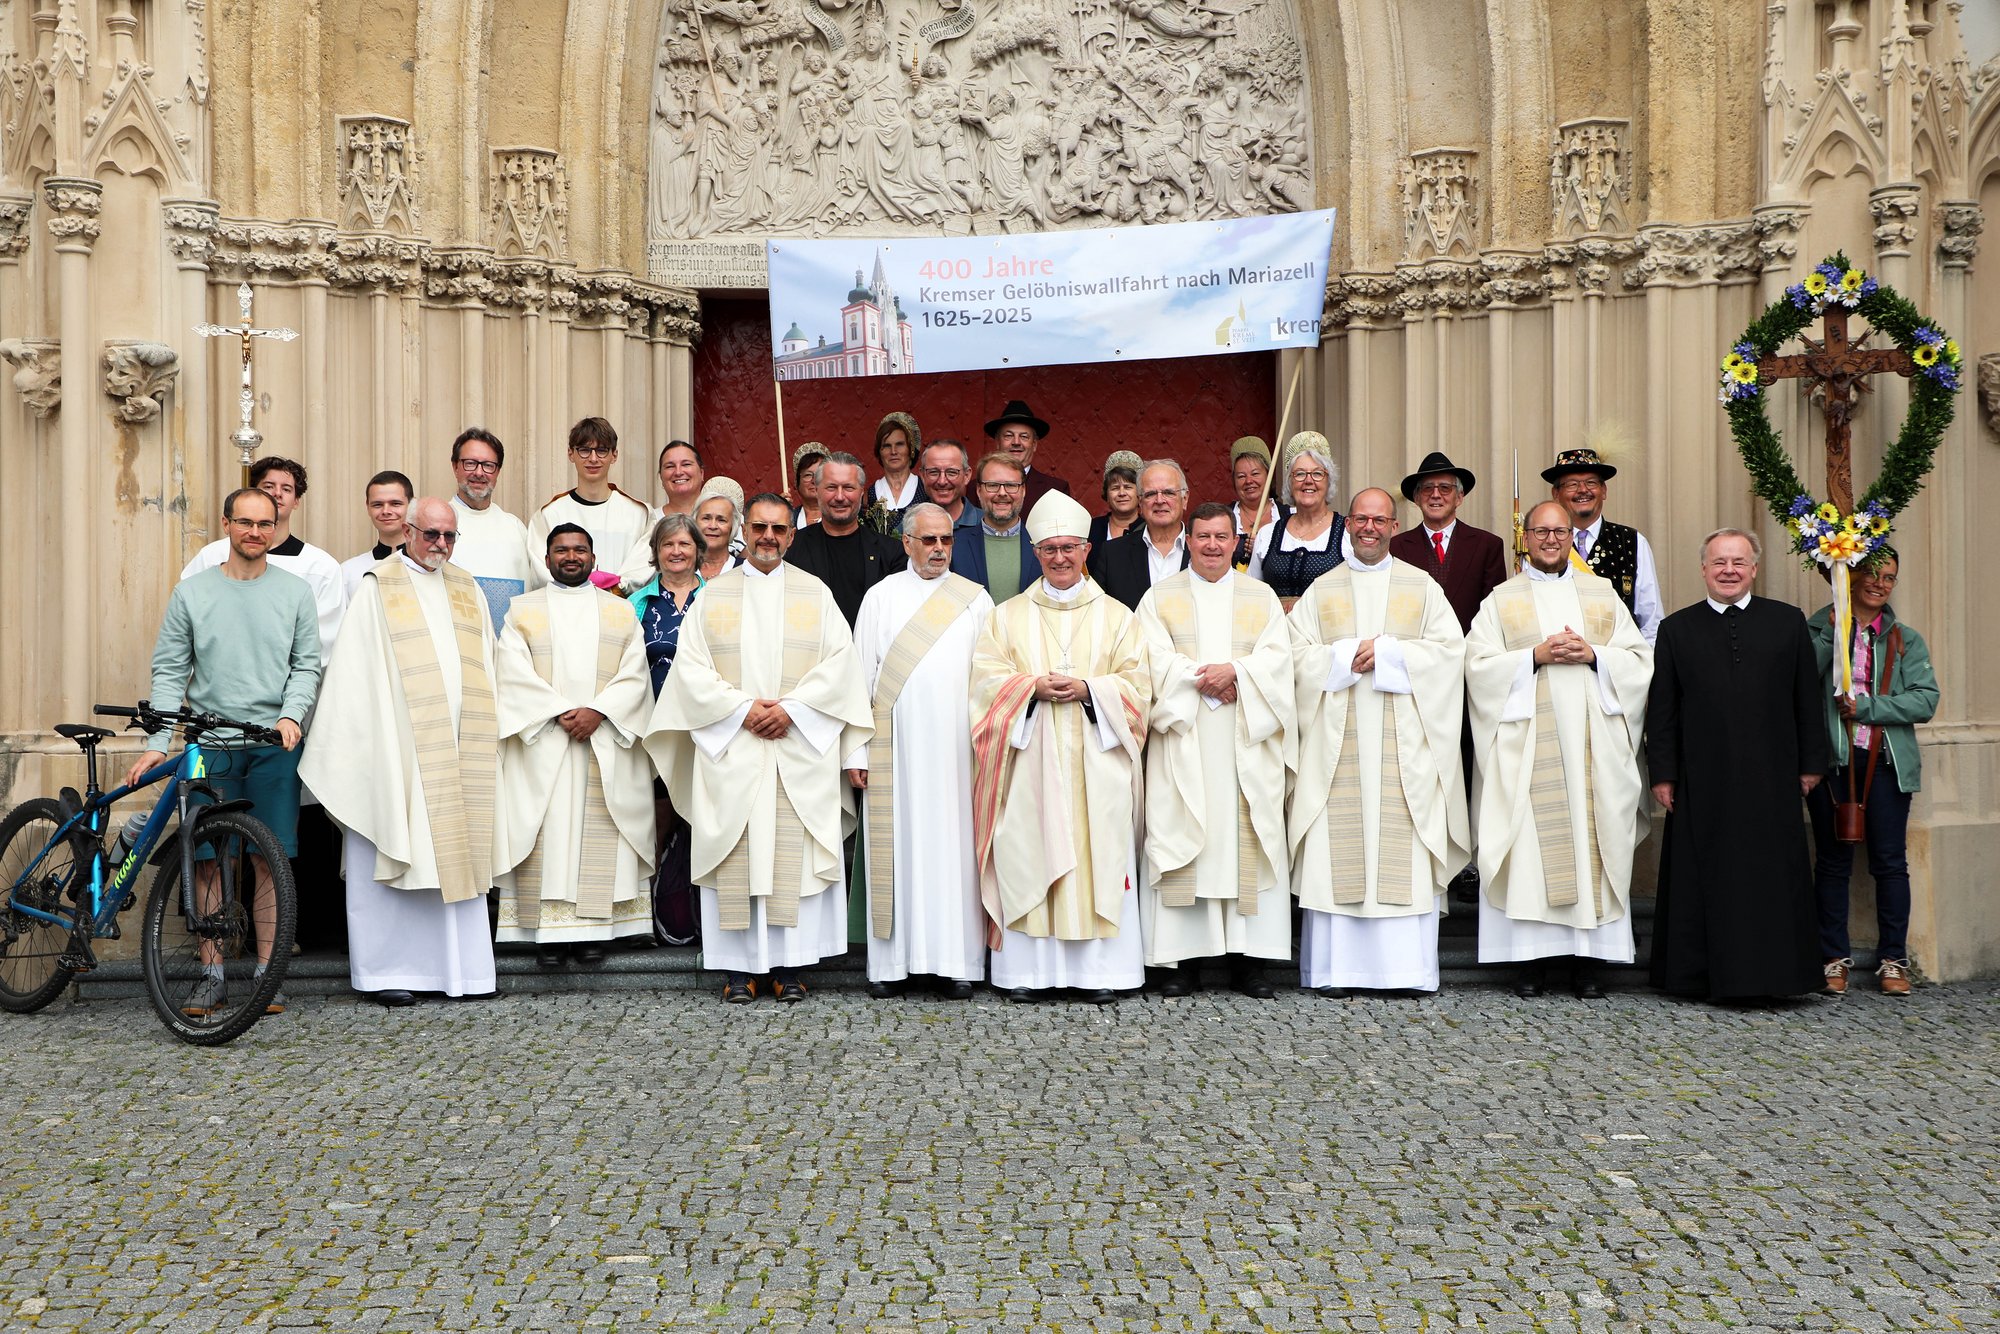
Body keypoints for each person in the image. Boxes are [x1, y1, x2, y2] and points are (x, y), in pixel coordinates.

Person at [645, 494, 872, 1003]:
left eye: (780, 529)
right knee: (736, 854)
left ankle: (790, 968)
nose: (769, 536)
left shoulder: (816, 594)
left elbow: (841, 666)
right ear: (746, 530)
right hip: (735, 748)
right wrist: (743, 711)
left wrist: (792, 709)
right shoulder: (714, 596)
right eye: (761, 527)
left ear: (792, 535)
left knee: (789, 857)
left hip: (797, 747)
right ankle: (738, 970)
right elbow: (691, 671)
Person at [301, 497, 501, 1005]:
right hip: (396, 753)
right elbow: (354, 677)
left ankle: (462, 973)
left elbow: (489, 667)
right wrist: (381, 746)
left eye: (450, 536)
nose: (441, 545)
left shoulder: (467, 588)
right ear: (408, 531)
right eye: (432, 534)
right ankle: (387, 972)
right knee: (392, 845)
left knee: (455, 858)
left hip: (458, 753)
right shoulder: (377, 588)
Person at [130, 487, 321, 1017]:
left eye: (266, 522)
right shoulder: (192, 593)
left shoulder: (295, 592)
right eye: (245, 522)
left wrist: (292, 714)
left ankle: (267, 974)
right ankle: (211, 976)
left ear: (277, 525)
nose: (255, 531)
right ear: (226, 524)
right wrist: (155, 743)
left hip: (270, 743)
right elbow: (169, 671)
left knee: (269, 859)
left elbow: (307, 664)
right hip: (209, 744)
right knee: (208, 859)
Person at [1465, 502, 1653, 999]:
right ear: (1523, 537)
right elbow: (1476, 668)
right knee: (1529, 849)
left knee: (1592, 843)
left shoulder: (1602, 593)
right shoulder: (1501, 600)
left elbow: (1638, 661)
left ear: (1572, 535)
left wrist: (1596, 655)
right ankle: (1530, 964)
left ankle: (1590, 964)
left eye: (1559, 530)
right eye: (1540, 531)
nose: (1550, 539)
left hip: (1594, 747)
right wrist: (1533, 656)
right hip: (1527, 748)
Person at [970, 489, 1150, 1004]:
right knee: (1027, 849)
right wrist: (1031, 688)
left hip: (1097, 762)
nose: (1061, 558)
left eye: (1070, 547)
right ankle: (1027, 974)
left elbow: (1139, 686)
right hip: (1029, 762)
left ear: (1087, 551)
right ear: (1037, 554)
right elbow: (984, 684)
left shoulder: (1119, 617)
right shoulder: (1007, 616)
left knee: (1101, 854)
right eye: (1050, 550)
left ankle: (1100, 975)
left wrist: (1093, 689)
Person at [1290, 487, 1469, 997]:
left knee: (1402, 850)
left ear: (1394, 526)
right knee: (1337, 850)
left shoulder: (1423, 587)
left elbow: (1450, 655)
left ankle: (1406, 973)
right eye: (1361, 519)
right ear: (1347, 524)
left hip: (1404, 749)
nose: (1369, 528)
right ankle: (1334, 973)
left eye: (1380, 520)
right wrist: (1345, 655)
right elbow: (1294, 657)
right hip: (1336, 747)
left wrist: (1388, 654)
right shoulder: (1322, 590)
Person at [1646, 527, 1828, 1002]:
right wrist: (1663, 773)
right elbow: (1662, 708)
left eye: (1738, 562)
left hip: (1773, 778)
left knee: (1770, 880)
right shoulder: (1676, 628)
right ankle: (1699, 978)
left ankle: (1777, 979)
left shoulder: (1788, 622)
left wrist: (1811, 765)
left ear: (1754, 568)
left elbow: (1807, 699)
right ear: (1703, 569)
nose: (1729, 571)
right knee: (1706, 878)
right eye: (1719, 562)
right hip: (1700, 781)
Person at [1134, 503, 1293, 997]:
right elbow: (1149, 662)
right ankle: (1182, 963)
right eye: (1202, 536)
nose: (1211, 546)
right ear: (1189, 540)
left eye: (1221, 537)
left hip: (1244, 740)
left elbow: (1279, 660)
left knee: (1243, 836)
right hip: (1185, 740)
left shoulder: (1260, 596)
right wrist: (1208, 680)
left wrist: (1239, 675)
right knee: (1186, 835)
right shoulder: (1159, 598)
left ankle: (1250, 963)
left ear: (1236, 540)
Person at [847, 502, 995, 999]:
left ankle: (957, 963)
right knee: (898, 849)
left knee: (954, 851)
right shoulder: (880, 597)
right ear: (906, 542)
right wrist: (856, 753)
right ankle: (891, 965)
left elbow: (990, 680)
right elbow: (857, 681)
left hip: (958, 753)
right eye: (928, 540)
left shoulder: (975, 600)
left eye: (946, 541)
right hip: (896, 751)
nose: (938, 550)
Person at [493, 524, 658, 967]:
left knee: (600, 833)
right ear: (546, 560)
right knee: (548, 833)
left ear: (593, 558)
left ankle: (596, 933)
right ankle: (547, 936)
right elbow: (510, 672)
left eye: (579, 550)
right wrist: (560, 711)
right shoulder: (521, 611)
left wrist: (599, 712)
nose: (571, 557)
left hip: (603, 740)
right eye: (561, 550)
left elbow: (635, 674)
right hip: (546, 741)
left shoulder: (620, 611)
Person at [1805, 552, 1938, 997]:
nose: (1880, 584)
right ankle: (1832, 960)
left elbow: (1925, 700)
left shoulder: (1905, 639)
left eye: (1889, 578)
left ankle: (1893, 961)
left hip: (1885, 764)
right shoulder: (1819, 628)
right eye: (1872, 574)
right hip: (1834, 763)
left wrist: (1868, 708)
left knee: (1889, 863)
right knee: (1832, 862)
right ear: (1852, 576)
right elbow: (1801, 679)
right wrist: (1833, 625)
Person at [630, 513, 707, 946]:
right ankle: (652, 915)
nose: (676, 552)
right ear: (656, 551)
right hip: (655, 727)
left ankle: (700, 914)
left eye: (684, 544)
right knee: (657, 821)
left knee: (702, 818)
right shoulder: (637, 603)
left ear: (699, 549)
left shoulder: (718, 598)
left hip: (704, 729)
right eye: (668, 545)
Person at [181, 455, 344, 654]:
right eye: (268, 486)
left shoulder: (321, 567)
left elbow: (323, 639)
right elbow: (186, 620)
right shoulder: (212, 556)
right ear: (253, 493)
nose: (277, 493)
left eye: (286, 489)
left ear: (296, 501)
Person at [1544, 447, 1661, 644]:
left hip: (1616, 666)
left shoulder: (1632, 542)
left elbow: (1651, 622)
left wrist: (1643, 669)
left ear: (1604, 490)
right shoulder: (1541, 545)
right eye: (1572, 484)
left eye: (1591, 483)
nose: (1583, 490)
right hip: (1558, 662)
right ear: (1556, 493)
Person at [529, 417, 656, 594]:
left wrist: (616, 589)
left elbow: (644, 567)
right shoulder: (550, 515)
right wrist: (580, 592)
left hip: (622, 610)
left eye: (602, 450)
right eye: (584, 450)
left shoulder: (639, 514)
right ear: (570, 454)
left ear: (614, 455)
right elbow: (541, 572)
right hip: (567, 608)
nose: (593, 458)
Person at [1388, 452, 1510, 633]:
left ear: (1459, 497)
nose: (1435, 495)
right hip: (1416, 653)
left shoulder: (1487, 546)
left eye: (1445, 488)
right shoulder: (1395, 547)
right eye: (1427, 488)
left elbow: (1495, 613)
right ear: (1417, 497)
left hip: (1470, 653)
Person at [784, 451, 906, 626]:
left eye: (848, 487)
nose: (840, 497)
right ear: (817, 491)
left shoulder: (892, 553)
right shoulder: (792, 549)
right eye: (831, 487)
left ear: (861, 493)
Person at [1246, 434, 1347, 607]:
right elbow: (1251, 595)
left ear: (1329, 481)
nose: (1308, 481)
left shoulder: (1347, 533)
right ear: (1289, 483)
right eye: (1299, 474)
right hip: (1277, 633)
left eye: (1317, 474)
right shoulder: (1268, 534)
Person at [447, 427, 543, 596]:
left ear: (497, 471)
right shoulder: (437, 526)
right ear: (455, 467)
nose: (479, 472)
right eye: (470, 463)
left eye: (488, 465)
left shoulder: (515, 527)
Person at [1092, 459, 1190, 610]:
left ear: (1184, 499)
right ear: (1140, 502)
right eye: (1150, 494)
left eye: (1168, 492)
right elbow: (1098, 613)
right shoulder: (1112, 554)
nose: (1159, 500)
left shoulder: (1205, 550)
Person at [958, 452, 1041, 601]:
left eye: (1011, 485)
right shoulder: (955, 544)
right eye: (992, 485)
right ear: (978, 490)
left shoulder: (1044, 545)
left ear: (1023, 491)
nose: (1002, 493)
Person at [339, 470, 412, 600]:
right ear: (368, 507)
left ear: (411, 505)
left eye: (395, 503)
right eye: (377, 504)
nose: (386, 511)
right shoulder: (348, 572)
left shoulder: (428, 569)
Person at [984, 399, 1072, 507]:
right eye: (1008, 436)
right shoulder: (974, 487)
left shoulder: (1056, 489)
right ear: (997, 442)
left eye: (1024, 436)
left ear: (1034, 444)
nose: (1016, 442)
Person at [1229, 437, 1284, 570]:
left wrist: (1263, 549)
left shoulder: (1289, 517)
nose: (1249, 481)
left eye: (1255, 473)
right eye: (1241, 476)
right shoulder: (1224, 517)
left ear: (1269, 476)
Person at [1087, 450, 1142, 549]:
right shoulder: (1091, 529)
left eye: (1128, 487)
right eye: (1115, 488)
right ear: (1107, 494)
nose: (1121, 493)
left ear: (1139, 492)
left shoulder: (1150, 529)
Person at [871, 412, 923, 516]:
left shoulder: (924, 489)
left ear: (911, 449)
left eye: (899, 444)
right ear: (879, 452)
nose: (893, 451)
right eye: (886, 446)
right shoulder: (870, 494)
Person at [693, 477, 745, 580]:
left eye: (721, 520)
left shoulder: (746, 572)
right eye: (706, 518)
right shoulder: (680, 568)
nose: (712, 526)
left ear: (733, 527)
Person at [655, 439, 706, 517]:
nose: (678, 472)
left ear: (701, 473)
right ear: (661, 477)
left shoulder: (720, 517)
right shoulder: (650, 522)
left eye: (686, 464)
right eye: (670, 466)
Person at [792, 441, 829, 528]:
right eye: (808, 475)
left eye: (819, 475)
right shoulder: (788, 519)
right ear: (797, 482)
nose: (814, 481)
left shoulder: (839, 517)